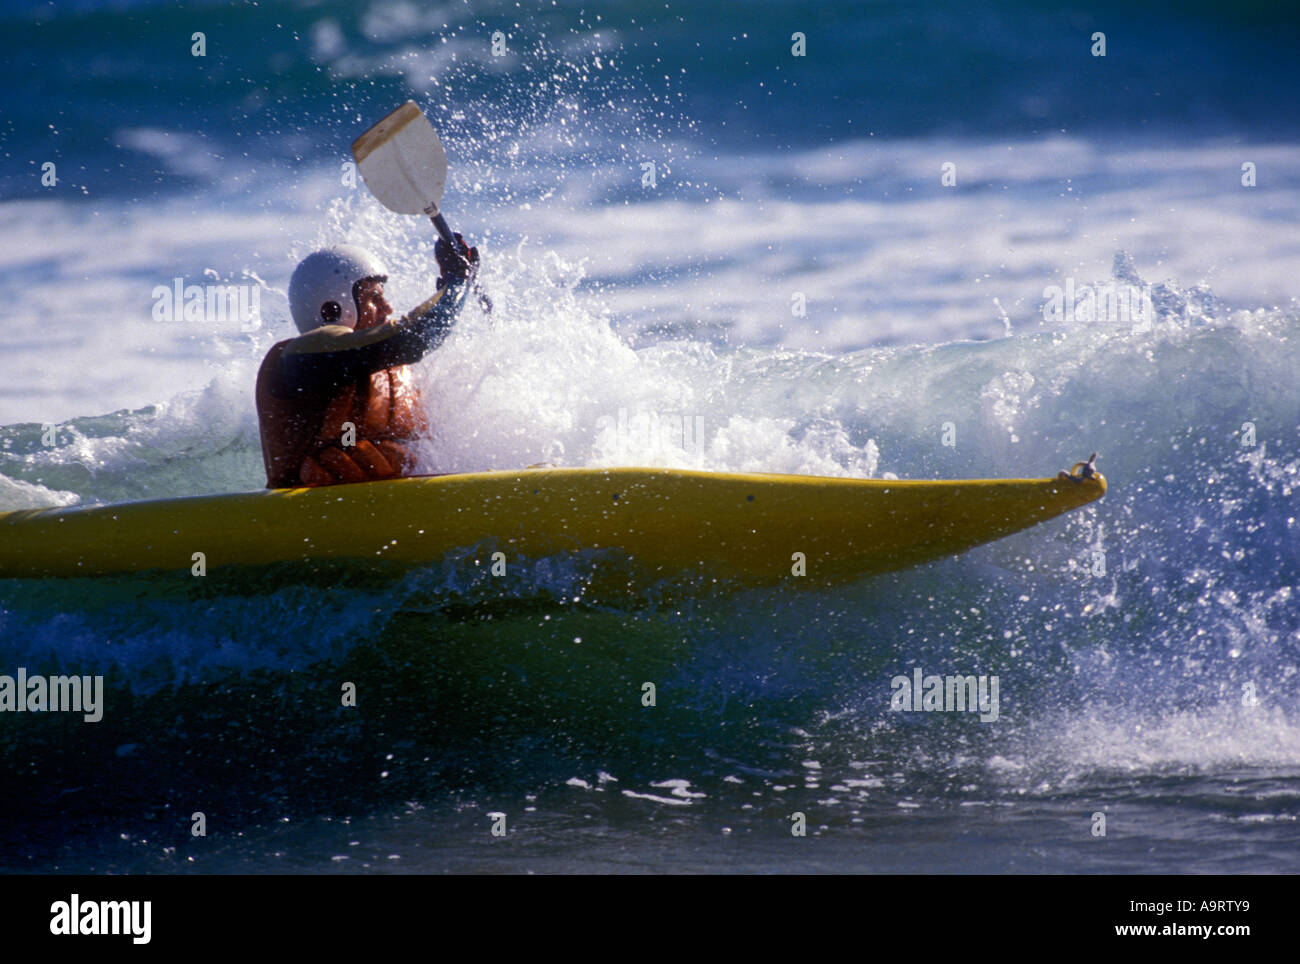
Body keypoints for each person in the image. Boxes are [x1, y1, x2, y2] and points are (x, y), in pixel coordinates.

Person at [256, 235, 479, 488]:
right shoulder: (302, 358)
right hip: (314, 514)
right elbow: (415, 337)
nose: (388, 308)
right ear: (332, 309)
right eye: (374, 299)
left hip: (401, 507)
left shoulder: (394, 371)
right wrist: (456, 281)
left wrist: (451, 287)